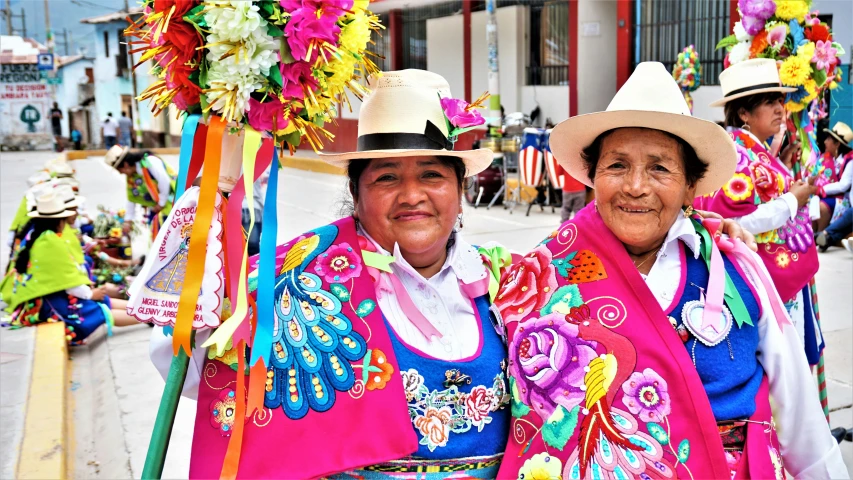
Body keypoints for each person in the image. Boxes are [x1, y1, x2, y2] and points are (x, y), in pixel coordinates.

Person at [147, 70, 754, 478]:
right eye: (387, 176)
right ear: (356, 190)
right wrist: (216, 189)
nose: (412, 196)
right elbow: (183, 349)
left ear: (460, 190)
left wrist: (702, 235)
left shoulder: (515, 282)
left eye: (432, 175)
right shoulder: (299, 278)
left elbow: (612, 304)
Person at [495, 62, 847, 479]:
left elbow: (800, 418)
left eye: (660, 168)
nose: (635, 186)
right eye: (617, 165)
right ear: (593, 176)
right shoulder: (541, 278)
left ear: (691, 186)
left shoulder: (735, 268)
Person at [698, 58, 825, 366]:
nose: (781, 109)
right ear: (743, 112)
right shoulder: (739, 153)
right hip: (766, 277)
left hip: (774, 271)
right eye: (770, 102)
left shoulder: (748, 148)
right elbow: (736, 221)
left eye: (780, 101)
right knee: (779, 367)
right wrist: (793, 200)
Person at [4, 193, 137, 345]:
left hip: (51, 294)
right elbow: (68, 280)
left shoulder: (41, 236)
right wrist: (90, 294)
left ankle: (150, 311)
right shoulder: (50, 241)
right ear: (60, 221)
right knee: (97, 311)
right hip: (47, 303)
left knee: (103, 300)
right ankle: (152, 317)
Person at [104, 145, 176, 236]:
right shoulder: (131, 177)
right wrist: (128, 220)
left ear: (126, 165)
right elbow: (132, 198)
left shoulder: (150, 162)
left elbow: (164, 181)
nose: (120, 173)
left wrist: (161, 204)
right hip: (157, 210)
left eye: (119, 170)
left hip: (173, 204)